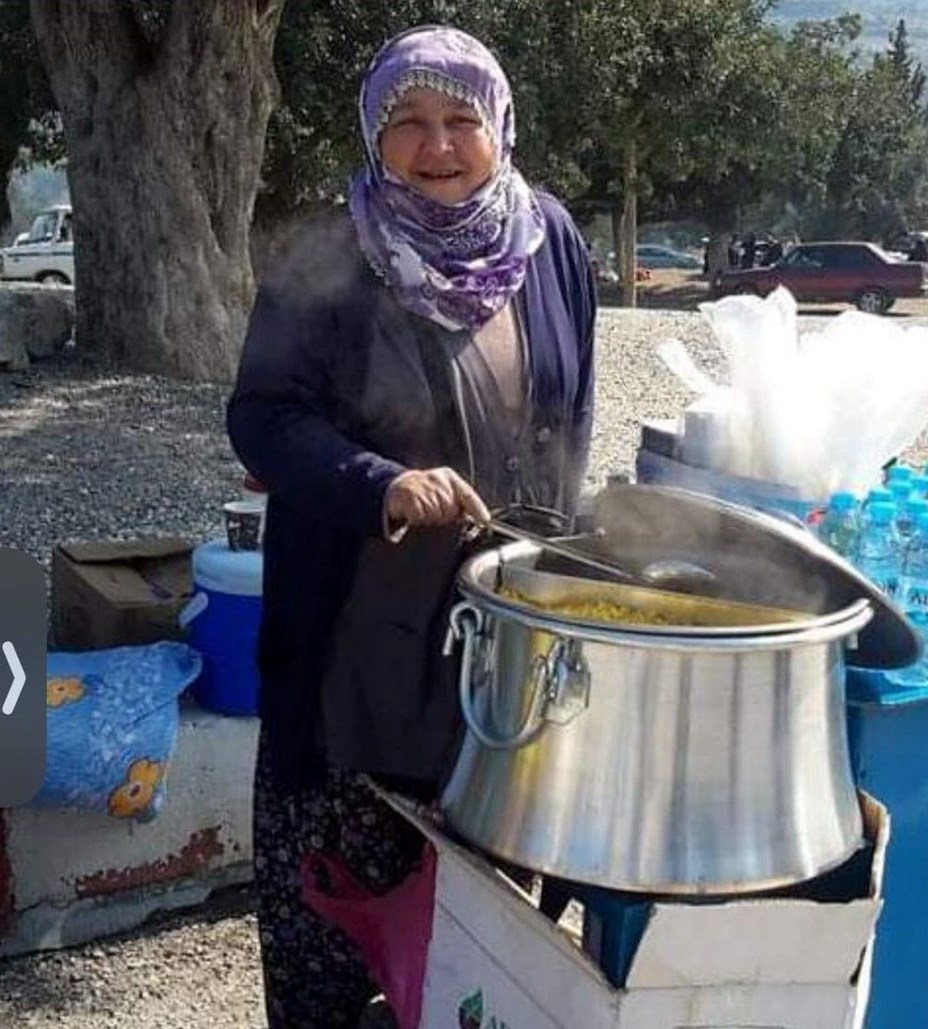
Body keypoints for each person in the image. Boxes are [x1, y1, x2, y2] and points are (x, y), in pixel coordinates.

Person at [227, 25, 596, 1028]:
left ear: (499, 126)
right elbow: (261, 414)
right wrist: (378, 482)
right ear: (372, 134)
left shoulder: (549, 236)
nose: (437, 145)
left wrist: (566, 542)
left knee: (483, 927)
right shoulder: (335, 251)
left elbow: (571, 402)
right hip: (357, 635)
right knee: (334, 922)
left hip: (502, 637)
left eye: (460, 119)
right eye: (408, 123)